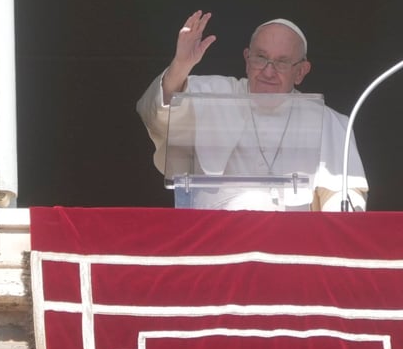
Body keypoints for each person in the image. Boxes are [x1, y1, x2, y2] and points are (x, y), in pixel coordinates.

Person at [137, 11, 368, 211]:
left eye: (282, 62)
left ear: (301, 71)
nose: (268, 72)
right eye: (261, 58)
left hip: (290, 242)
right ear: (247, 59)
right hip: (214, 236)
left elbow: (344, 194)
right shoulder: (211, 94)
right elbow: (157, 111)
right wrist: (180, 65)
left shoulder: (327, 121)